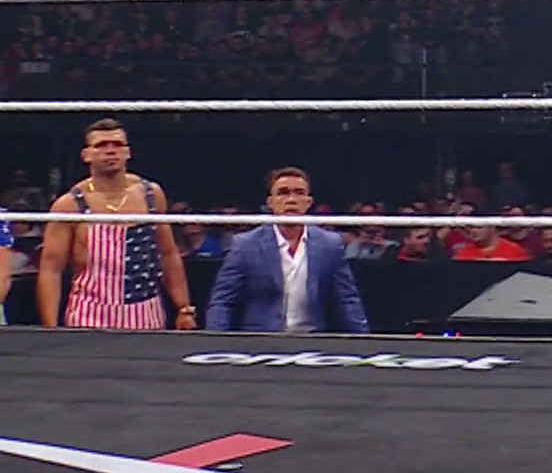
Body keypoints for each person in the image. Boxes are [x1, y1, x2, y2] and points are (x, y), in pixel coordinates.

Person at [37, 119, 194, 330]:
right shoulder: (69, 205)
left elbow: (168, 255)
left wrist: (184, 308)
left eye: (118, 144)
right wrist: (50, 329)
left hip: (147, 317)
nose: (111, 151)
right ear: (86, 155)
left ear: (128, 152)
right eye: (101, 145)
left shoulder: (150, 194)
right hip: (88, 318)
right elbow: (51, 269)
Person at [206, 167, 370, 334]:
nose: (291, 200)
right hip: (260, 340)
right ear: (270, 202)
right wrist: (215, 341)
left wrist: (363, 341)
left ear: (308, 202)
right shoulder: (246, 244)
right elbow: (223, 301)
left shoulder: (329, 244)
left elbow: (347, 300)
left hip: (311, 339)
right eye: (283, 193)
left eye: (299, 193)